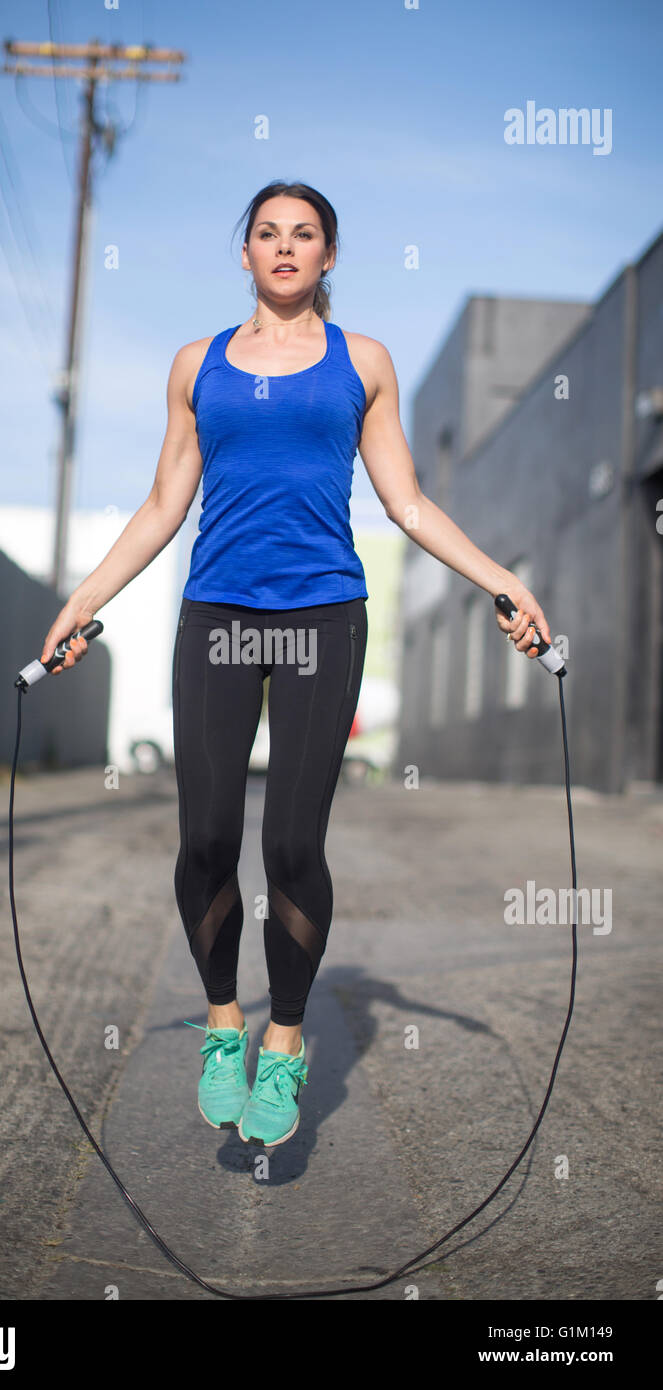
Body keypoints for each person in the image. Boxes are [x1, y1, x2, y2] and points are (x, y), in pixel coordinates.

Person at [40, 179, 550, 1150]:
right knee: (204, 838)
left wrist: (501, 583)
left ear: (327, 256)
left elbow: (406, 503)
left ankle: (283, 1041)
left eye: (303, 235)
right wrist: (81, 600)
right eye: (266, 234)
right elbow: (160, 507)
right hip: (218, 613)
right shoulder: (198, 366)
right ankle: (222, 1023)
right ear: (243, 254)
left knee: (289, 848)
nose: (283, 248)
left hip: (323, 615)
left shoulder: (363, 362)